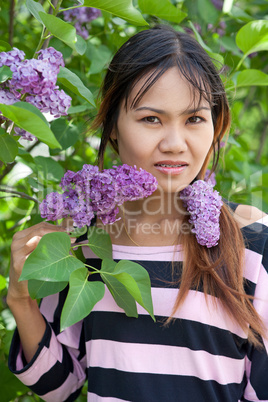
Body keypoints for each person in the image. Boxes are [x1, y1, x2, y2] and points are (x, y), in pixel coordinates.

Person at [7, 25, 268, 401]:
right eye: (151, 119)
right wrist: (20, 299)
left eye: (194, 119)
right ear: (113, 129)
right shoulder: (81, 244)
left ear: (216, 125)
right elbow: (58, 385)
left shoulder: (252, 244)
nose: (175, 143)